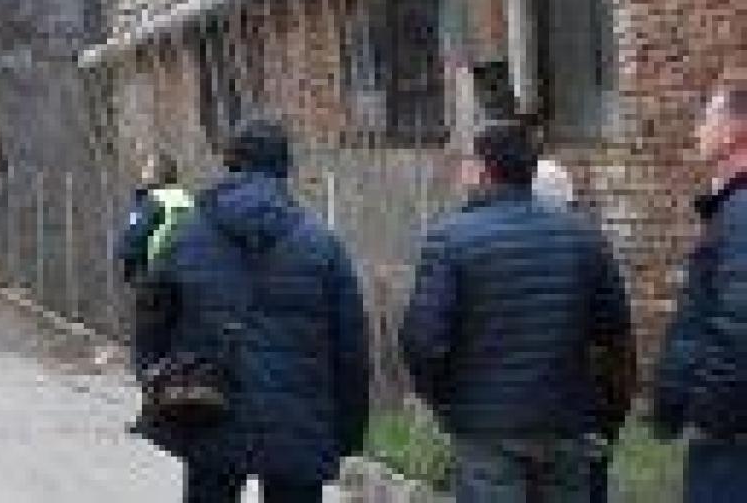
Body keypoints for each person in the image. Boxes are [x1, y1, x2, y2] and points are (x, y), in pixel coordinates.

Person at [135, 119, 370, 503]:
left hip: (207, 408)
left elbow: (151, 319)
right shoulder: (322, 245)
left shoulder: (186, 237)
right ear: (285, 168)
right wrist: (347, 431)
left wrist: (155, 379)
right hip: (298, 422)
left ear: (229, 164)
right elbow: (351, 349)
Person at [401, 120, 634, 503]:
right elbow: (616, 342)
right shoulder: (585, 238)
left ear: (482, 168)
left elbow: (423, 342)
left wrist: (446, 401)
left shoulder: (449, 240)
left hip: (486, 428)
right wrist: (604, 415)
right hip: (565, 422)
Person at [652, 80, 747, 503]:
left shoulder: (742, 213)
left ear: (733, 133)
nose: (696, 132)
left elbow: (738, 328)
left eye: (705, 119)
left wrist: (708, 416)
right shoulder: (731, 209)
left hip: (731, 441)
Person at [530, 155, 620, 503]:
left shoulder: (488, 241)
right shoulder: (592, 245)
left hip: (503, 419)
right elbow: (616, 339)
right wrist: (611, 414)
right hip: (580, 411)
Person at [117, 151, 193, 283]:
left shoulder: (152, 201)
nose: (143, 172)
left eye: (147, 168)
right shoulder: (188, 200)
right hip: (186, 269)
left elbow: (135, 237)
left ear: (156, 174)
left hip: (154, 272)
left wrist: (127, 262)